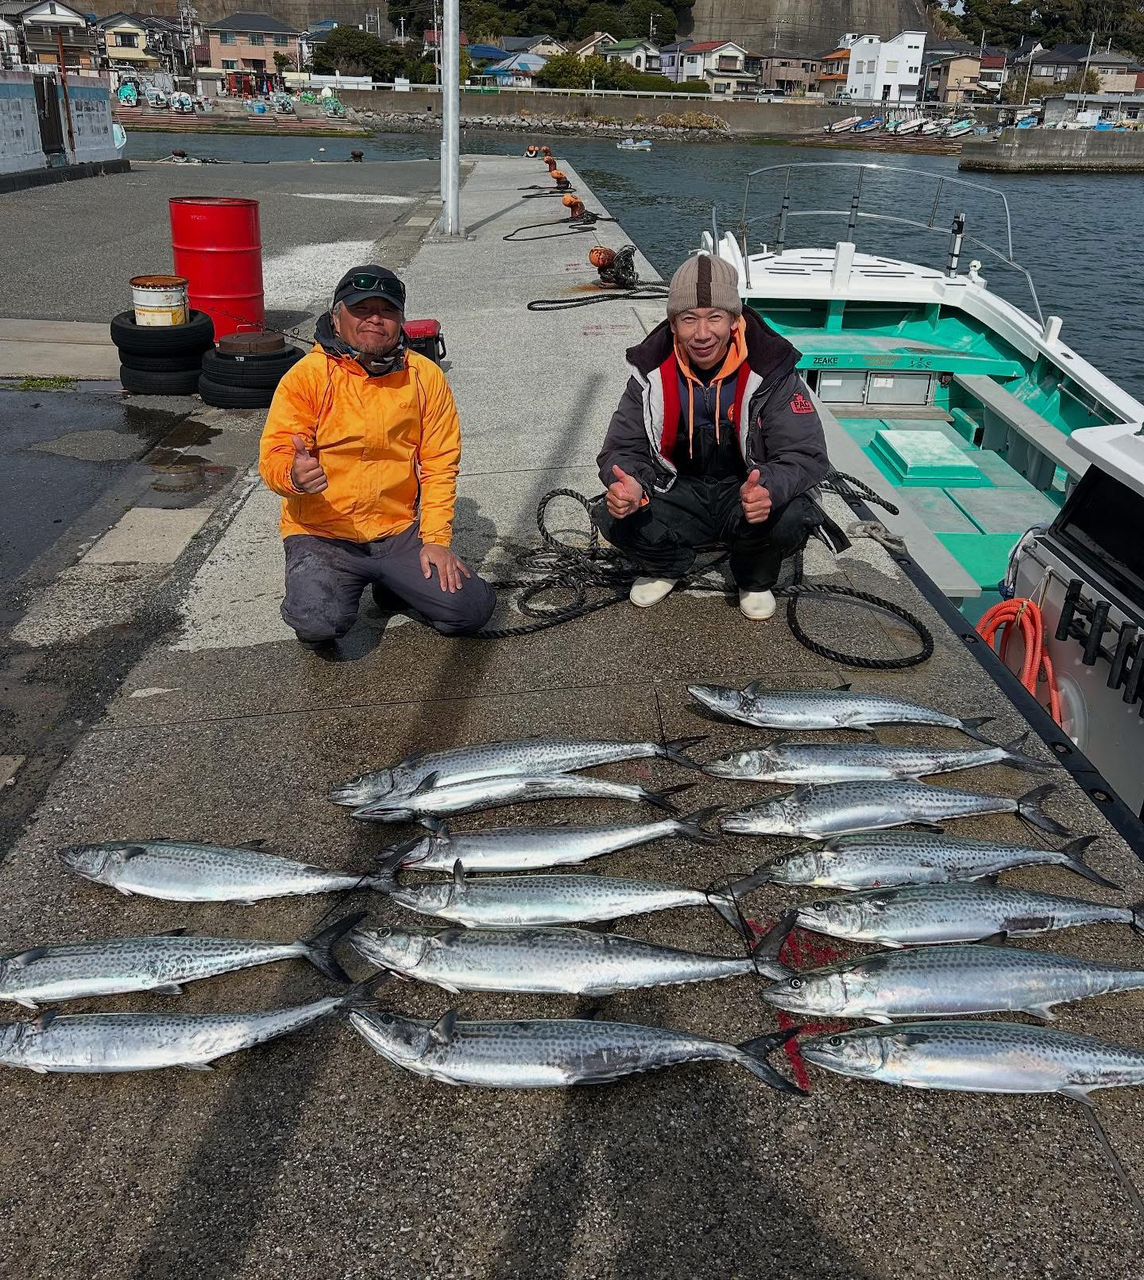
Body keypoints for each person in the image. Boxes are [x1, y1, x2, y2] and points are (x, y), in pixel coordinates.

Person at [259, 265, 496, 651]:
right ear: (337, 318)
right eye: (360, 308)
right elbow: (274, 457)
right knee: (317, 624)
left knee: (470, 610)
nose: (374, 319)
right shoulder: (306, 377)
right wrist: (293, 476)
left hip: (398, 531)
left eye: (386, 311)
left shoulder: (426, 376)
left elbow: (439, 464)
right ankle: (372, 584)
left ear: (401, 320)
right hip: (324, 534)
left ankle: (394, 583)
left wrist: (435, 540)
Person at [594, 252, 830, 619]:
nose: (702, 334)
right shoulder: (649, 372)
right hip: (678, 488)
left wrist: (769, 486)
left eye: (715, 318)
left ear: (735, 320)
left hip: (745, 490)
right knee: (610, 514)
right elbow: (621, 448)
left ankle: (753, 577)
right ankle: (666, 564)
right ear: (673, 324)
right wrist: (630, 484)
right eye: (689, 319)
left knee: (794, 513)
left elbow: (805, 453)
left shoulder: (774, 370)